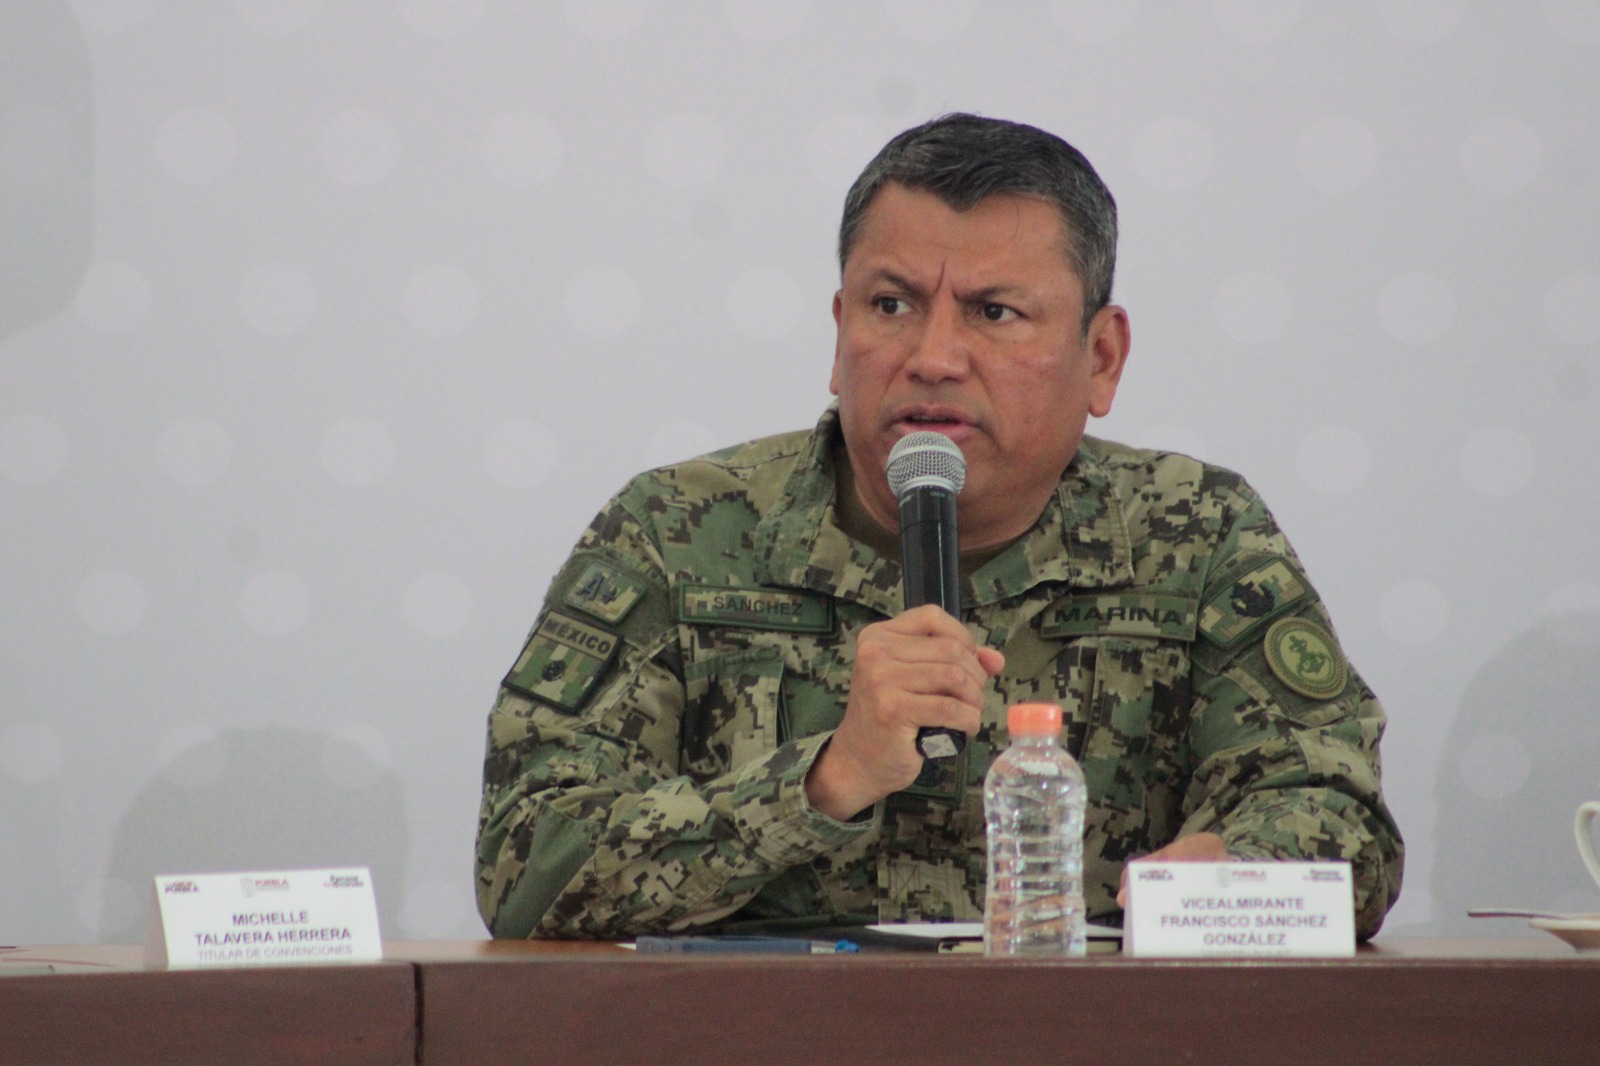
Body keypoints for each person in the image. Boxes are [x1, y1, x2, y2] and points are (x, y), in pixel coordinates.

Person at [475, 113, 1404, 941]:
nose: (933, 358)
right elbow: (525, 860)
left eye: (995, 313)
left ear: (1101, 358)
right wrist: (822, 782)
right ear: (839, 334)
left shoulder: (1196, 536)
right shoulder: (678, 530)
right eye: (891, 306)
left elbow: (1338, 817)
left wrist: (1240, 873)